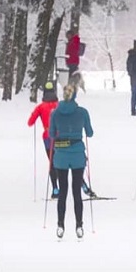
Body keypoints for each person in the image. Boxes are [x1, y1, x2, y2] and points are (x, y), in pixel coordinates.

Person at [49, 84, 94, 239]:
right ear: (74, 96)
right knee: (76, 192)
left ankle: (60, 225)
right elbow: (90, 133)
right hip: (77, 156)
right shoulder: (82, 112)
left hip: (60, 156)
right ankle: (79, 225)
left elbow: (51, 133)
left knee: (63, 192)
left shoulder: (55, 113)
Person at [27, 82, 60, 199]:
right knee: (64, 161)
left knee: (52, 162)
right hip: (61, 137)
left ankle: (55, 189)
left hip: (48, 137)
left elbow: (30, 122)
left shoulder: (41, 107)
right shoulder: (60, 105)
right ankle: (80, 184)